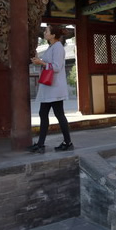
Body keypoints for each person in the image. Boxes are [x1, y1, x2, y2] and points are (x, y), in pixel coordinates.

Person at [27, 24, 73, 154]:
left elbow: (57, 67)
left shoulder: (58, 47)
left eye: (46, 31)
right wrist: (39, 59)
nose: (44, 32)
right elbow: (49, 63)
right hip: (50, 86)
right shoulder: (52, 47)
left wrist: (41, 63)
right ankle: (41, 144)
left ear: (53, 35)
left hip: (55, 87)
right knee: (44, 113)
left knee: (58, 114)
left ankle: (67, 142)